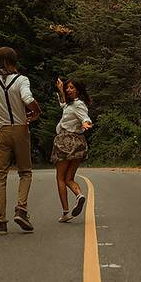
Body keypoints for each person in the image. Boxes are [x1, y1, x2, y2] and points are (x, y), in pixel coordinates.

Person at [0, 46, 41, 235]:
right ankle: (21, 209)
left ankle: (1, 222)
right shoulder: (22, 80)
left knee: (0, 176)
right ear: (14, 61)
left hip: (1, 131)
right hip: (21, 129)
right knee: (25, 172)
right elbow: (27, 97)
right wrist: (36, 111)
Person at [51, 77, 92, 223]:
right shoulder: (71, 104)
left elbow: (85, 117)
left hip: (66, 141)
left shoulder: (78, 105)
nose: (69, 90)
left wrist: (86, 123)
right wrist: (61, 90)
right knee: (69, 178)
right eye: (68, 87)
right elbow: (64, 105)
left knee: (60, 178)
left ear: (79, 90)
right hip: (78, 143)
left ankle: (65, 212)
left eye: (72, 88)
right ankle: (79, 195)